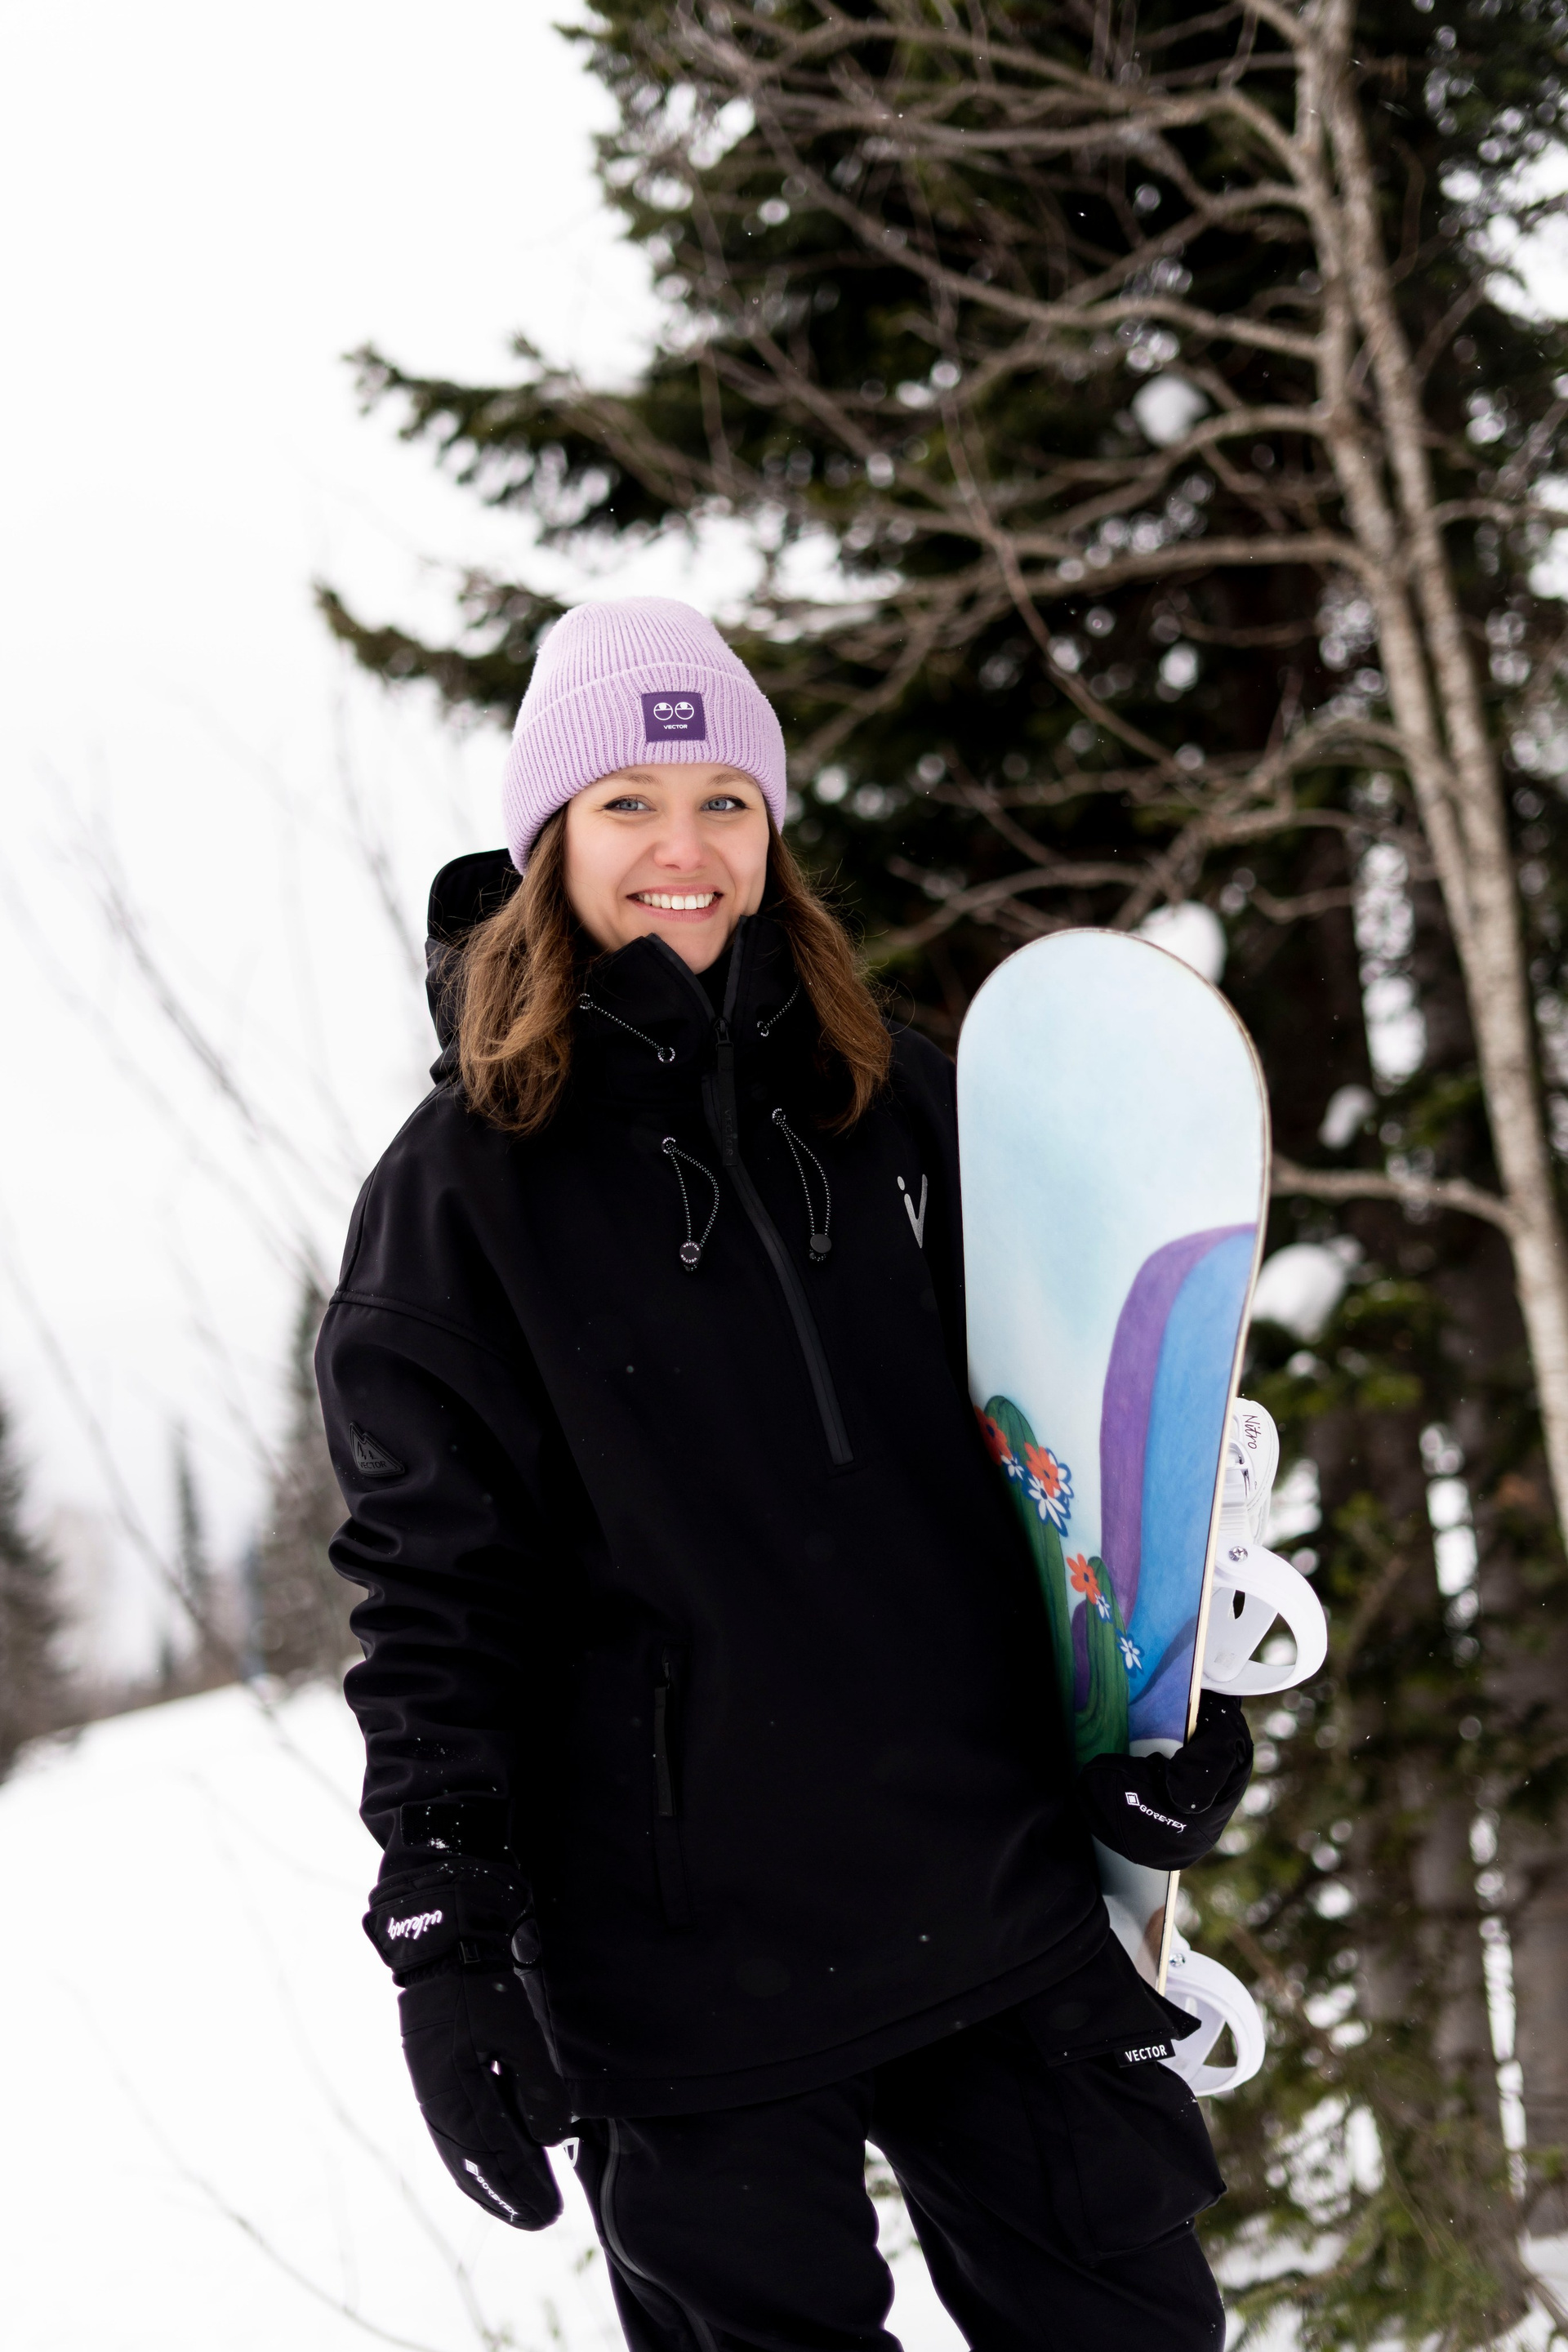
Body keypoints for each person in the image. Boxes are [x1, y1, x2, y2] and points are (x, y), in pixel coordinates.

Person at [316, 598, 1254, 2351]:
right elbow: (436, 1606)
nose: (684, 849)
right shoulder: (456, 1199)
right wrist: (447, 1940)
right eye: (629, 803)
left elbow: (1074, 1459)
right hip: (685, 1982)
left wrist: (1150, 1719)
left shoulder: (894, 1101)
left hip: (998, 1898)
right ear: (548, 840)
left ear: (772, 829)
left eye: (725, 801)